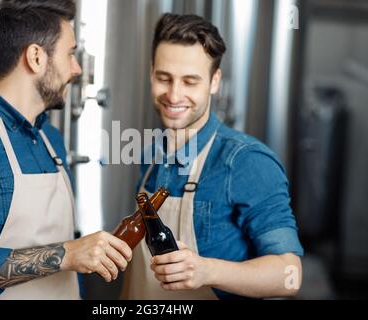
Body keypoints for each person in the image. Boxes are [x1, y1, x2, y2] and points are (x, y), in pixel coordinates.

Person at [0, 0, 131, 300]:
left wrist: (76, 254)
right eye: (70, 54)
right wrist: (64, 255)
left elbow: (70, 262)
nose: (76, 68)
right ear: (35, 57)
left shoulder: (51, 139)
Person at [121, 13, 304, 300]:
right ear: (151, 72)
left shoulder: (246, 161)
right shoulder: (151, 154)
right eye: (164, 78)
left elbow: (290, 276)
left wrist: (205, 270)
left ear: (214, 81)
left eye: (190, 81)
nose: (173, 94)